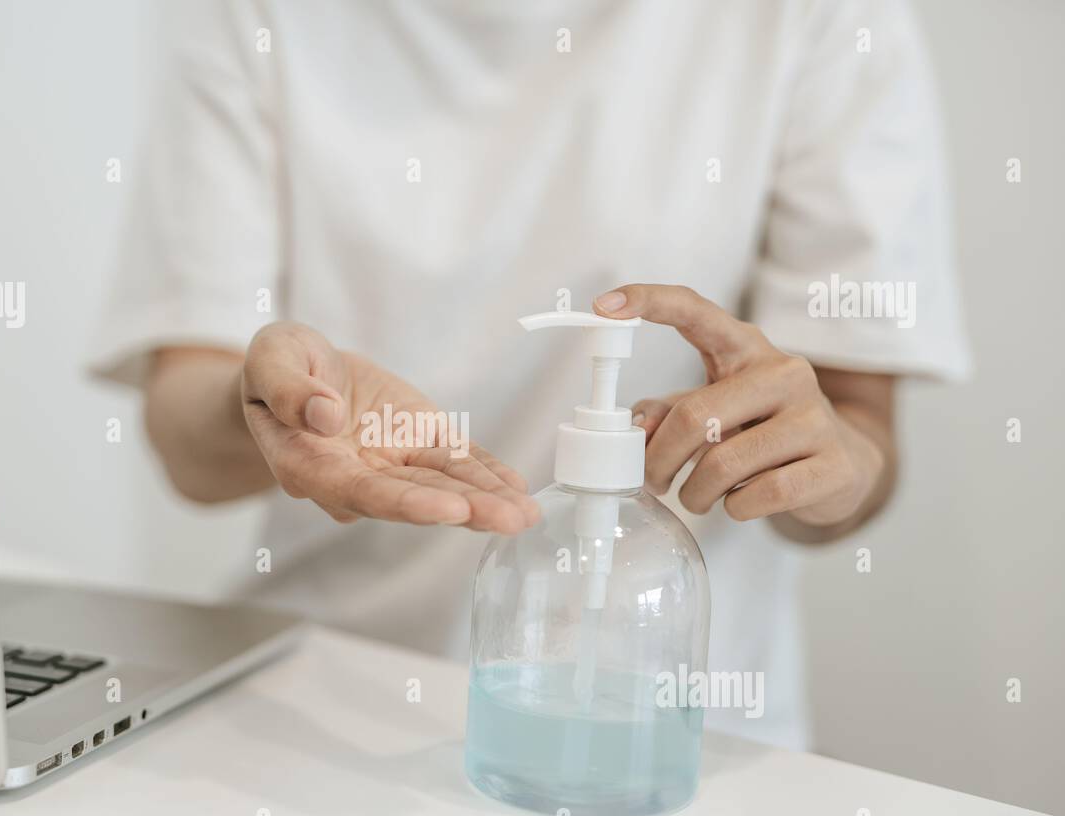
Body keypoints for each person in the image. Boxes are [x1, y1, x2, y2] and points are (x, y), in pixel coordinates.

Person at [90, 0, 971, 750]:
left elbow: (857, 427)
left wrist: (827, 463)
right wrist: (281, 407)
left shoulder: (814, 20)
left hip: (673, 731)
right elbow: (190, 442)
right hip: (318, 706)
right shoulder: (258, 16)